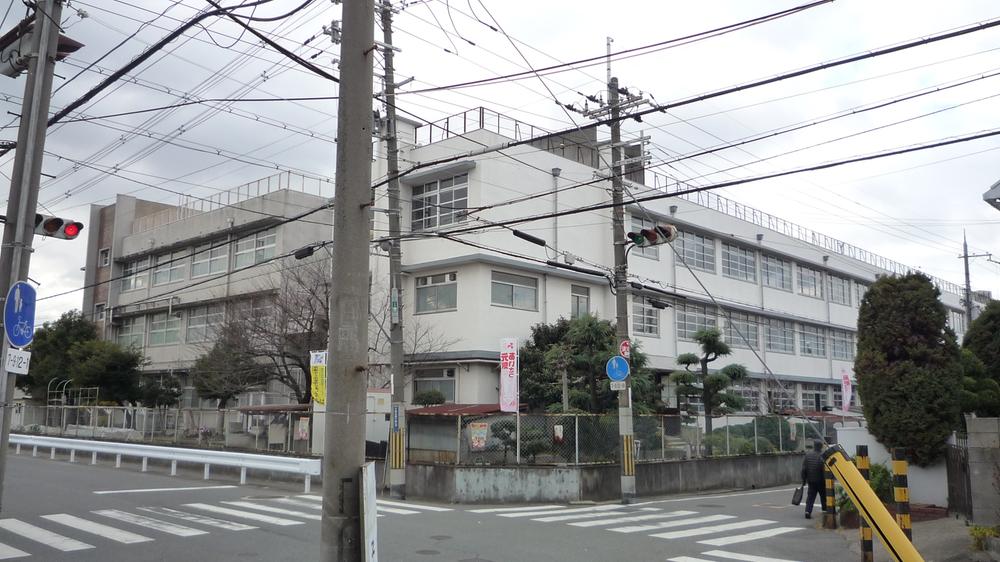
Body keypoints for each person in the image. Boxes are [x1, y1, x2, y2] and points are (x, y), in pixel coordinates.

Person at [801, 440, 826, 519]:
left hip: (811, 480)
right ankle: (825, 509)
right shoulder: (823, 456)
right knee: (823, 496)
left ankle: (808, 511)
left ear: (814, 446)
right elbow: (824, 469)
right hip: (821, 480)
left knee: (810, 496)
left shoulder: (808, 456)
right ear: (821, 447)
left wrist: (804, 480)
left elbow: (803, 470)